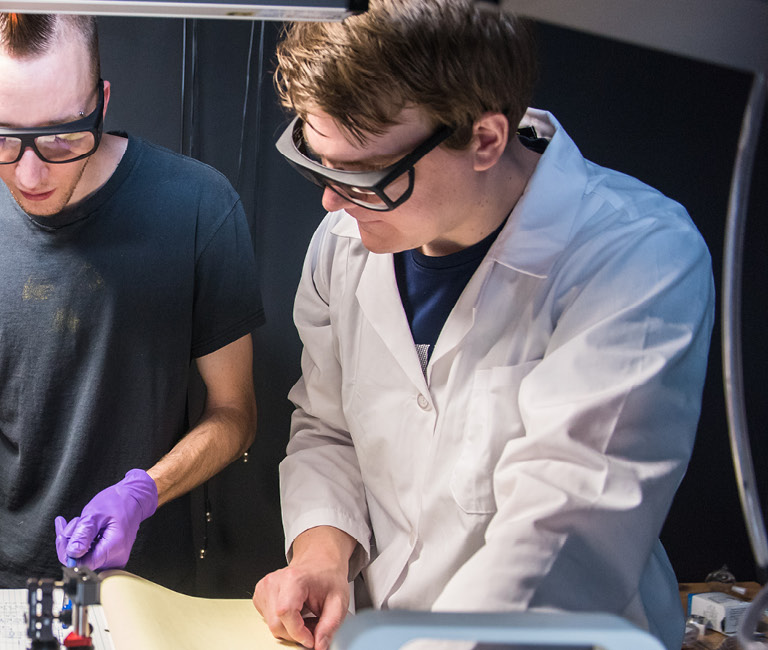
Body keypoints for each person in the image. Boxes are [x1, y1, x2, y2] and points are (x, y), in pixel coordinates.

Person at [251, 2, 715, 648]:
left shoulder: (636, 256)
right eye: (316, 160)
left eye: (362, 174)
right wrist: (321, 554)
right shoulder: (343, 243)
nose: (331, 199)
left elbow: (562, 535)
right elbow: (329, 430)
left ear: (487, 139)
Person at [0, 12, 263, 631]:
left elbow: (235, 413)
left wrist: (144, 491)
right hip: (2, 599)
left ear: (100, 103)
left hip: (151, 597)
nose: (29, 174)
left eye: (62, 138)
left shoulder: (200, 207)